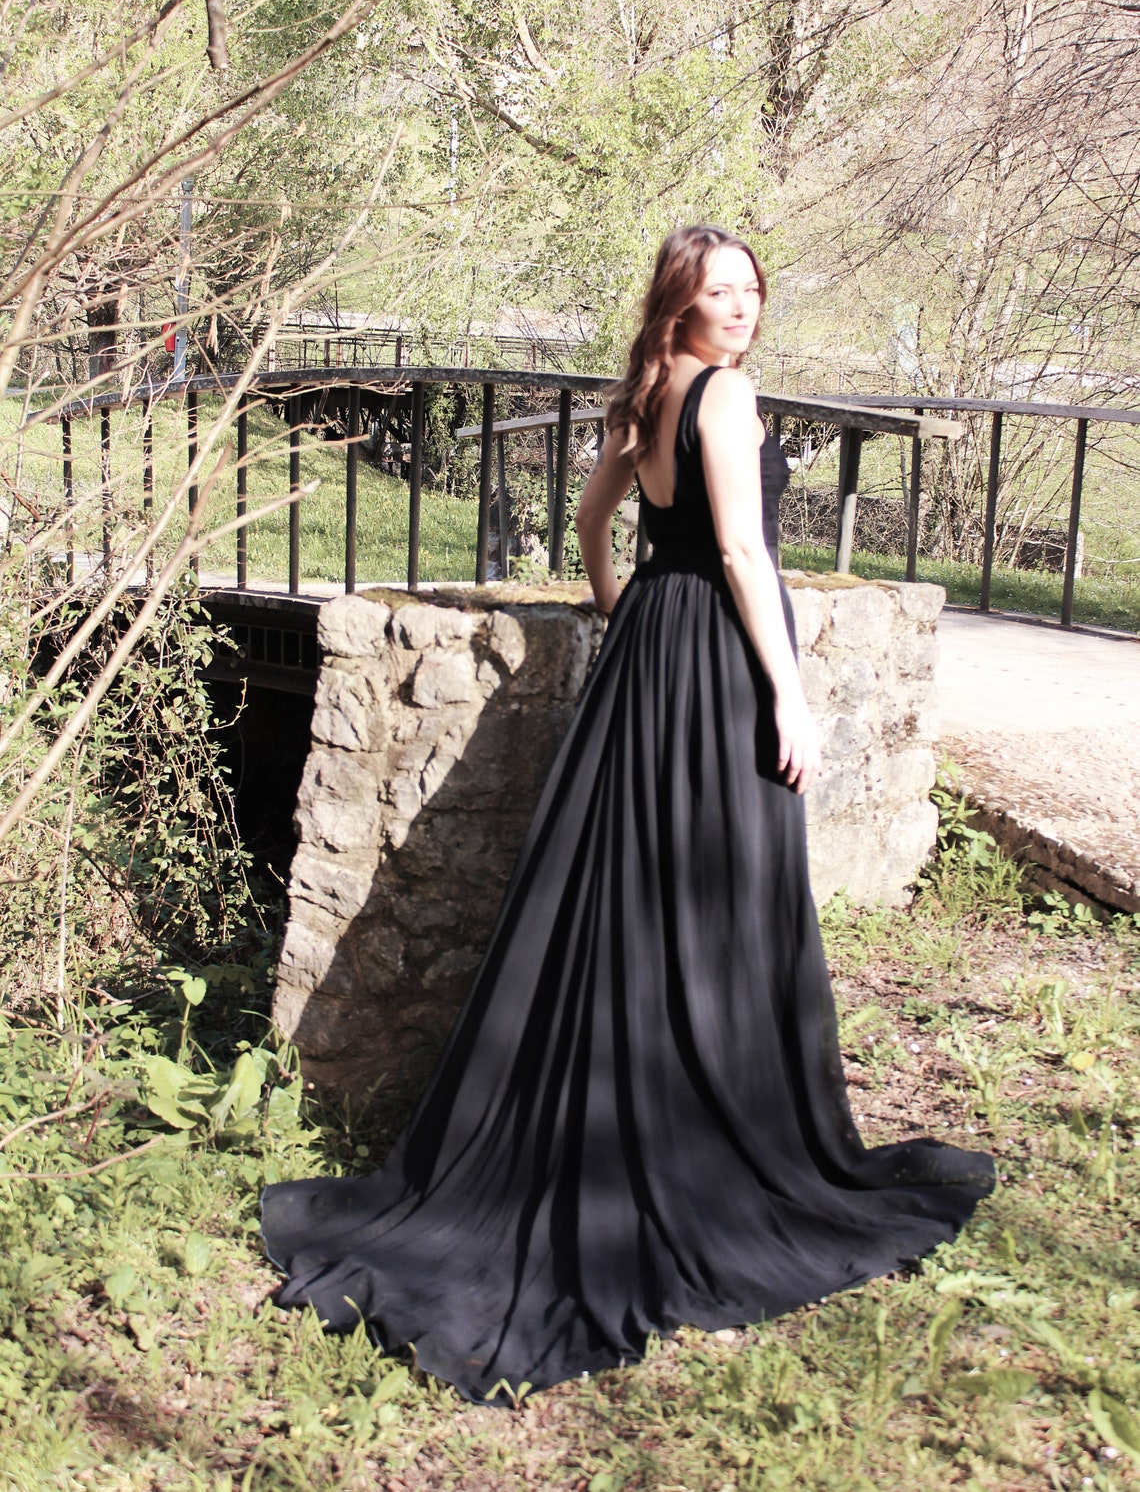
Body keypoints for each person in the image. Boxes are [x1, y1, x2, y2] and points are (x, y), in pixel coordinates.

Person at [260, 225, 995, 1404]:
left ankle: (638, 1105)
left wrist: (622, 611)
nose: (742, 305)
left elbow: (597, 519)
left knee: (628, 889)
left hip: (650, 654)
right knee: (718, 885)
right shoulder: (726, 395)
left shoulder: (648, 395)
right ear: (681, 302)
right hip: (716, 664)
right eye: (719, 290)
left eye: (751, 288)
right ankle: (705, 1127)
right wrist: (789, 697)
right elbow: (744, 556)